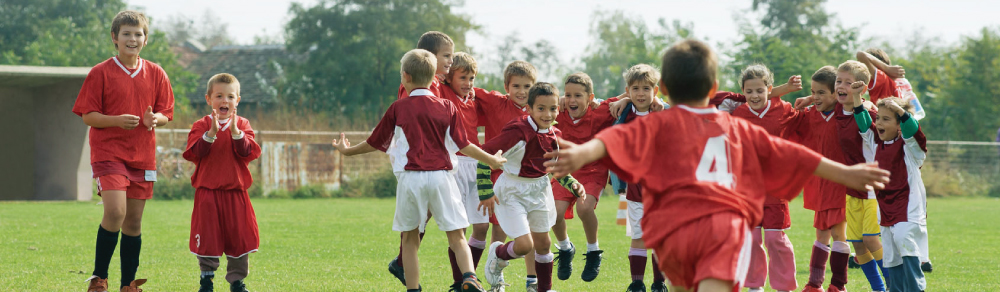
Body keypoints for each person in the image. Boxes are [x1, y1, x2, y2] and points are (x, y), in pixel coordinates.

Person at [542, 39, 891, 292]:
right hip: (723, 230)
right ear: (714, 87)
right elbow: (794, 156)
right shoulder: (734, 126)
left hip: (674, 232)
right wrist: (846, 172)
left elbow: (613, 141)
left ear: (662, 87)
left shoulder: (656, 124)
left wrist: (580, 153)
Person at [333, 49, 504, 292]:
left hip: (411, 179)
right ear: (434, 75)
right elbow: (464, 145)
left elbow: (375, 142)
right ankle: (469, 277)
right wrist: (491, 160)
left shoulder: (398, 108)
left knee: (410, 240)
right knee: (457, 237)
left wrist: (347, 151)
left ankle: (413, 289)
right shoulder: (448, 106)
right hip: (442, 178)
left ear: (405, 76)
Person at [73, 10, 174, 292]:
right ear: (114, 38)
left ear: (145, 39)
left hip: (143, 157)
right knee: (116, 212)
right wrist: (116, 121)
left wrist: (156, 120)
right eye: (126, 34)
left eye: (138, 34)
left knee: (133, 221)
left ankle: (128, 284)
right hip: (109, 155)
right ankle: (98, 279)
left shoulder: (157, 73)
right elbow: (88, 116)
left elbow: (166, 113)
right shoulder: (100, 72)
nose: (132, 39)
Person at [479, 83, 584, 292]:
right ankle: (498, 255)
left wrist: (573, 183)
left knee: (543, 244)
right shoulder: (517, 131)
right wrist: (486, 192)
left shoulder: (555, 134)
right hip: (512, 191)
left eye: (553, 108)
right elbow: (483, 156)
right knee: (525, 245)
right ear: (529, 108)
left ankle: (543, 289)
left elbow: (554, 167)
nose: (547, 114)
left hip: (540, 189)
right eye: (541, 108)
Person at [726, 65, 803, 292]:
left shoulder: (784, 109)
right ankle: (754, 286)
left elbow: (805, 123)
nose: (755, 96)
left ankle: (784, 287)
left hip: (775, 188)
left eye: (760, 90)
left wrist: (806, 99)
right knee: (750, 240)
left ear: (770, 89)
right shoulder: (738, 114)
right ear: (743, 92)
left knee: (774, 239)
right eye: (749, 92)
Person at [182, 73, 262, 292]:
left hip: (236, 192)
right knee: (208, 237)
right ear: (209, 99)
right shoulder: (201, 125)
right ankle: (206, 281)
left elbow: (249, 152)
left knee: (239, 238)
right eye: (219, 96)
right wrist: (211, 134)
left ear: (237, 100)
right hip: (207, 192)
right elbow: (193, 153)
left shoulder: (243, 124)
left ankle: (237, 282)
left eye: (230, 96)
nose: (224, 101)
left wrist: (236, 133)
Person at [850, 82, 929, 292]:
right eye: (879, 118)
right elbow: (864, 123)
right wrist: (857, 97)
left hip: (909, 209)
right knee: (892, 255)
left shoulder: (910, 147)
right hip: (885, 208)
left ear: (899, 124)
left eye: (886, 119)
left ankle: (915, 288)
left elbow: (913, 129)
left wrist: (901, 110)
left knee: (904, 240)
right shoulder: (877, 142)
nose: (879, 123)